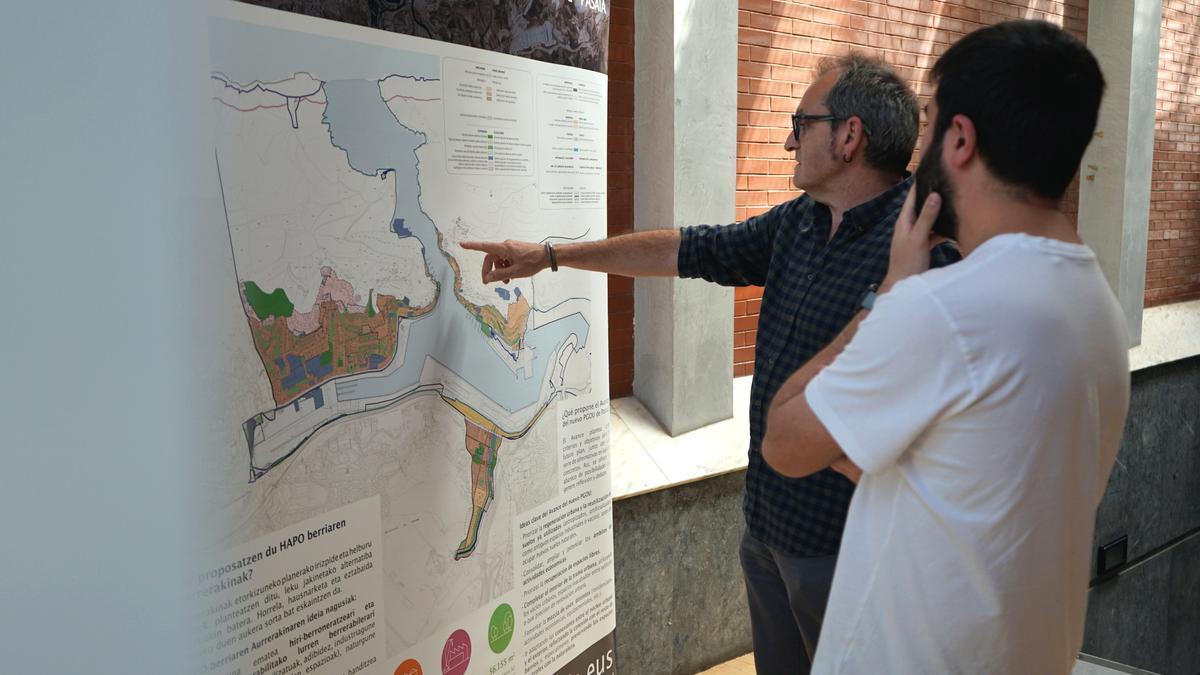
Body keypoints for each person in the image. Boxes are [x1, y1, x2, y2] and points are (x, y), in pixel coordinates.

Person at [463, 54, 960, 672]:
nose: (787, 141)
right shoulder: (797, 223)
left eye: (801, 124)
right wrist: (550, 255)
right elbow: (687, 249)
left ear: (849, 136)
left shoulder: (926, 250)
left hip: (855, 556)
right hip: (767, 531)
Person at [761, 20, 1130, 674]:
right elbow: (981, 483)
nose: (917, 146)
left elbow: (785, 440)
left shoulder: (941, 308)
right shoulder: (1096, 303)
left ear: (961, 140)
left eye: (929, 125)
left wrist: (888, 293)